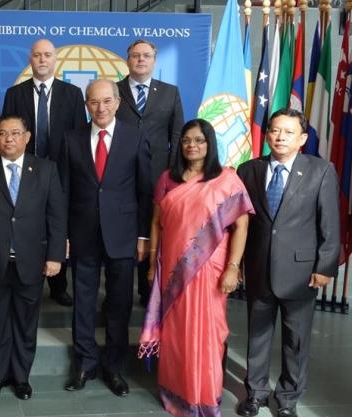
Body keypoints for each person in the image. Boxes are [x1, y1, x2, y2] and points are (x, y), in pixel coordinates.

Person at [138, 118, 253, 417]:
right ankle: (176, 392)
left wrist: (233, 267)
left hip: (210, 270)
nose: (192, 145)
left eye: (199, 140)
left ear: (210, 143)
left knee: (208, 334)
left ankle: (203, 396)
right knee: (175, 334)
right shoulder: (168, 179)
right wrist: (153, 263)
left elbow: (241, 225)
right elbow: (156, 223)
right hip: (173, 271)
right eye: (187, 140)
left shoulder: (226, 180)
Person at [236, 108, 340, 417]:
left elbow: (330, 225)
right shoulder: (248, 169)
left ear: (302, 139)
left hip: (301, 272)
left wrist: (324, 267)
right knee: (257, 335)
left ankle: (288, 399)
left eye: (288, 132)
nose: (279, 137)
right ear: (267, 134)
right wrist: (236, 263)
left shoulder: (320, 171)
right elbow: (241, 223)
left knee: (296, 341)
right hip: (257, 268)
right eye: (274, 130)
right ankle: (255, 394)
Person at [0, 115, 67, 400]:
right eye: (3, 133)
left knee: (25, 322)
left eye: (15, 133)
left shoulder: (45, 169)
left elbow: (57, 218)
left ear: (27, 137)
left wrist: (55, 256)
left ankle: (21, 378)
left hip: (31, 262)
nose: (9, 139)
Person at [59, 79, 152, 397]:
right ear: (86, 105)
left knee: (119, 303)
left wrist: (143, 235)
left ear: (117, 102)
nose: (100, 108)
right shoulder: (71, 140)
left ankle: (114, 367)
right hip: (82, 234)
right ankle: (84, 364)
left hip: (124, 235)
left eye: (106, 101)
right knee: (83, 303)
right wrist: (63, 235)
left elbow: (144, 191)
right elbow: (64, 192)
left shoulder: (134, 137)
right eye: (93, 102)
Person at [2, 38, 87, 307]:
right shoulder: (14, 94)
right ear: (30, 58)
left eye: (47, 55)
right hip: (23, 172)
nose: (42, 60)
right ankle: (26, 281)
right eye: (37, 55)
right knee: (25, 224)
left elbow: (78, 136)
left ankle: (59, 286)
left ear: (55, 59)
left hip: (60, 173)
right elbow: (6, 134)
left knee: (56, 224)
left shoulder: (72, 94)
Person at [115, 39, 184, 307]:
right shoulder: (114, 91)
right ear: (127, 59)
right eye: (135, 55)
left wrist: (175, 173)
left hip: (159, 174)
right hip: (121, 174)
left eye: (146, 56)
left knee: (155, 230)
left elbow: (177, 135)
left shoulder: (170, 92)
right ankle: (119, 293)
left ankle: (148, 291)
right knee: (123, 231)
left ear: (154, 60)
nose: (140, 60)